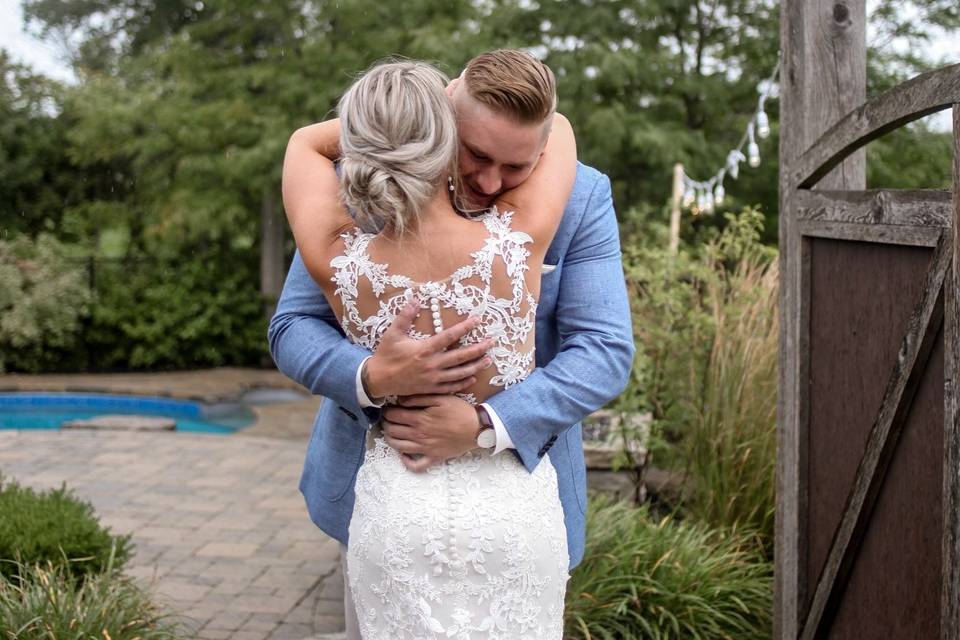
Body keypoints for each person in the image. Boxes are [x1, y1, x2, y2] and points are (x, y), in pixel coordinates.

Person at [268, 50, 634, 638]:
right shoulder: (357, 190)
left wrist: (485, 423)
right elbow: (291, 330)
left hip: (515, 484)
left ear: (543, 150)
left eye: (518, 165)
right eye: (477, 155)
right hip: (379, 494)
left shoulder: (582, 195)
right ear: (444, 120)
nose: (491, 183)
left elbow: (604, 351)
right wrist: (373, 378)